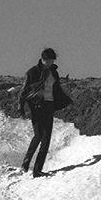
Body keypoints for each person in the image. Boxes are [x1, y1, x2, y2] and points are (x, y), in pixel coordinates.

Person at [18, 47, 72, 177]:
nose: (50, 63)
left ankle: (37, 170)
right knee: (38, 135)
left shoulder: (54, 72)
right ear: (42, 59)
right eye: (48, 61)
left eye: (52, 61)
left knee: (46, 138)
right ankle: (25, 163)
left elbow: (57, 88)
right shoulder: (32, 72)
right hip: (36, 106)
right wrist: (20, 106)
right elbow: (24, 90)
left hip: (49, 105)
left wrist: (65, 100)